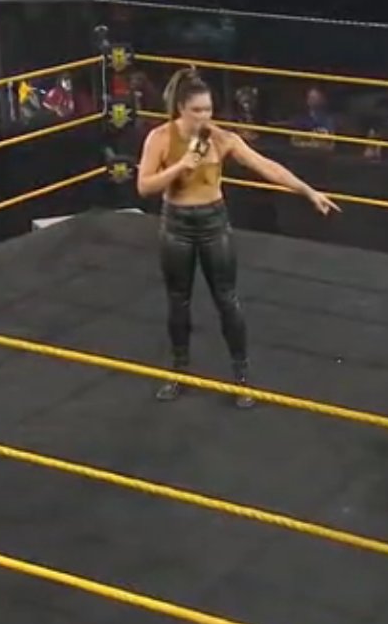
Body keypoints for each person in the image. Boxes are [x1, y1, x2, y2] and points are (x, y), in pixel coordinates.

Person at [137, 68, 339, 406]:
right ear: (181, 109)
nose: (204, 116)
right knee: (178, 300)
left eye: (208, 109)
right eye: (197, 110)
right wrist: (181, 166)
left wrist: (308, 191)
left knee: (227, 300)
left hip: (213, 221)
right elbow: (144, 186)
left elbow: (266, 166)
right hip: (176, 223)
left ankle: (241, 377)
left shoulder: (222, 139)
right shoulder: (160, 138)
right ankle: (179, 372)